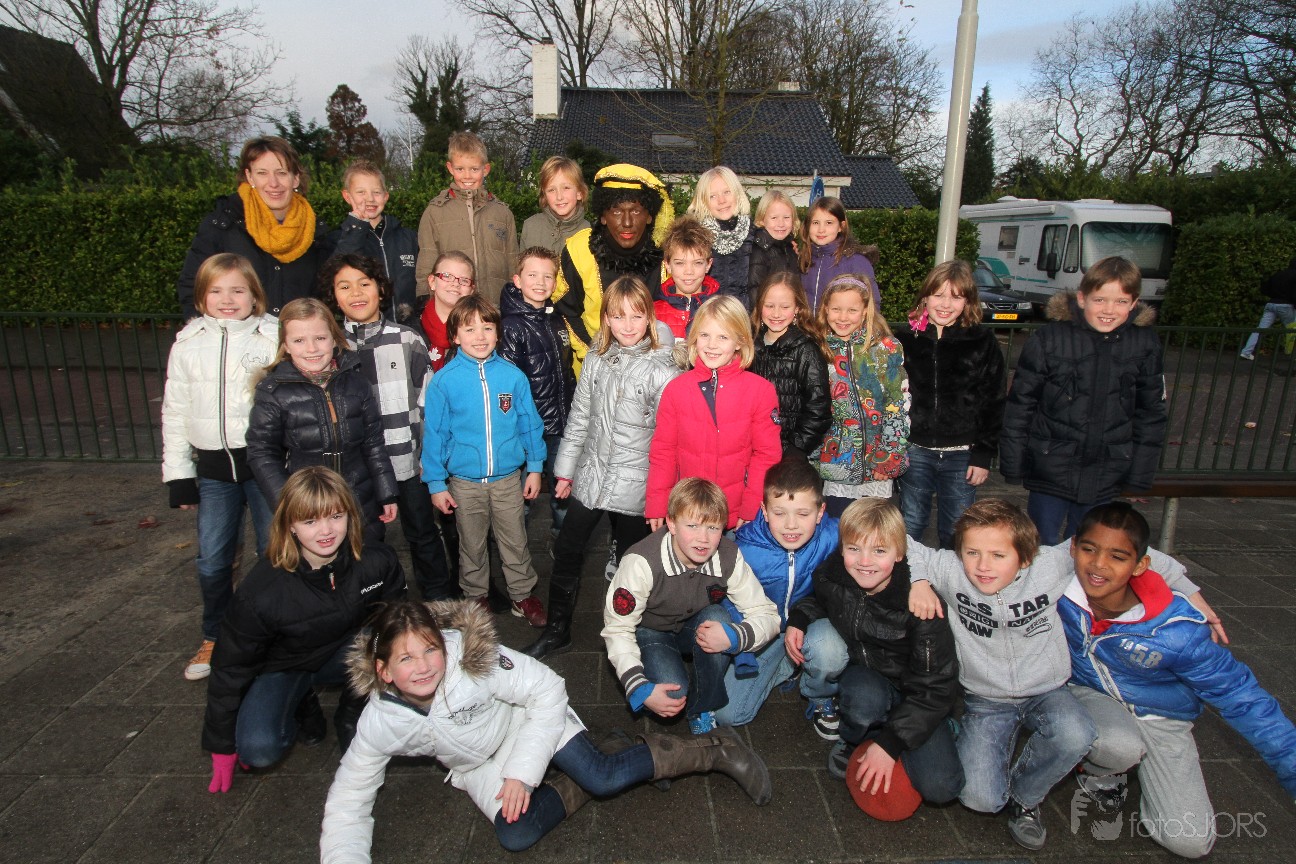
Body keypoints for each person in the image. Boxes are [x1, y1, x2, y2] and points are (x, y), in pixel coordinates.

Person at [320, 599, 772, 860]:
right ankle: (611, 747)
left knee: (603, 777)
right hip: (479, 764)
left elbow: (547, 689)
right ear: (383, 671)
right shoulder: (381, 720)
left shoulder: (471, 659)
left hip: (528, 719)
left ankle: (716, 748)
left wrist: (522, 774)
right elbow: (348, 799)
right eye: (405, 659)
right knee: (516, 835)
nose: (423, 667)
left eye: (430, 650)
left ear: (444, 645)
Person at [906, 498, 1223, 850]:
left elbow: (1137, 554)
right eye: (972, 553)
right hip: (986, 698)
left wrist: (1190, 591)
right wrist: (919, 580)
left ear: (1026, 557)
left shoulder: (1050, 564)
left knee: (1076, 733)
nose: (983, 566)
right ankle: (975, 749)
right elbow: (903, 543)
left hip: (1048, 690)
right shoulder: (950, 569)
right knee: (980, 799)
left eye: (998, 555)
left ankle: (1025, 798)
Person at [1060, 502, 1295, 858]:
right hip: (1090, 696)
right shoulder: (1059, 591)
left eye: (1117, 557)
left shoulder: (1177, 629)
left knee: (1189, 841)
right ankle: (1099, 767)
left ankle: (1149, 769)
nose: (1098, 564)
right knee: (1117, 746)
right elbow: (1006, 549)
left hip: (1160, 716)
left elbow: (1241, 697)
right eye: (1089, 550)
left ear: (1140, 565)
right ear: (1074, 548)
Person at [203, 466, 406, 793]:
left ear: (350, 515)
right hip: (285, 665)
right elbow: (230, 666)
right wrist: (222, 742)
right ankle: (301, 702)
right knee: (259, 748)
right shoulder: (261, 591)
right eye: (310, 521)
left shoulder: (376, 559)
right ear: (290, 525)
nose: (326, 531)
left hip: (347, 651)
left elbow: (398, 618)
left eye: (336, 516)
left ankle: (352, 710)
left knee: (388, 640)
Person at [523, 276, 682, 660]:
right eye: (618, 316)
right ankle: (558, 630)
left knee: (630, 565)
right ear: (606, 318)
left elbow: (668, 440)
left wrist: (661, 496)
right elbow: (580, 417)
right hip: (593, 475)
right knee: (567, 548)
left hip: (636, 483)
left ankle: (626, 637)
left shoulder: (664, 369)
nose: (627, 325)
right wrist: (565, 471)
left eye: (636, 316)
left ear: (649, 318)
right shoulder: (597, 358)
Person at [789, 499, 963, 814]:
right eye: (854, 549)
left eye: (879, 551)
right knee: (863, 701)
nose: (865, 561)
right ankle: (855, 737)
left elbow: (936, 687)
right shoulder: (834, 574)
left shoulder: (922, 605)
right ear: (842, 549)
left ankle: (931, 728)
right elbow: (822, 600)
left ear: (900, 554)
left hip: (918, 694)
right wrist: (799, 618)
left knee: (942, 787)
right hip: (869, 678)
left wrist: (890, 745)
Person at [161, 253, 278, 681]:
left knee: (273, 553)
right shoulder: (188, 345)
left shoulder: (273, 338)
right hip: (213, 471)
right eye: (216, 291)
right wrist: (179, 474)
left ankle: (271, 632)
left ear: (254, 295)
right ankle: (215, 634)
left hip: (263, 466)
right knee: (212, 558)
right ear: (201, 297)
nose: (227, 300)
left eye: (237, 290)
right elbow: (175, 411)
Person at [999, 255, 1167, 544]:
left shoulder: (1144, 344)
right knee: (1042, 545)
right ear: (1081, 298)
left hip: (1107, 470)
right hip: (1050, 466)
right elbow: (1020, 405)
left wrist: (1139, 472)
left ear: (1134, 303)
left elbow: (1151, 413)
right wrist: (1014, 463)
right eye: (1100, 300)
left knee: (1090, 546)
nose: (1109, 310)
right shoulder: (1049, 339)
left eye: (1121, 301)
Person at [321, 253, 456, 601]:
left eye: (364, 284)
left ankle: (439, 604)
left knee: (423, 533)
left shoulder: (406, 339)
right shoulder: (329, 346)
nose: (356, 293)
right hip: (356, 467)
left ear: (381, 289)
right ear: (333, 295)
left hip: (407, 459)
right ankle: (371, 605)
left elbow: (428, 402)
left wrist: (430, 456)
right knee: (362, 539)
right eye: (344, 287)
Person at [602, 477, 780, 734]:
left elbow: (766, 613)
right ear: (672, 523)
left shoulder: (729, 555)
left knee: (720, 619)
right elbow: (618, 628)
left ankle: (702, 707)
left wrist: (736, 636)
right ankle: (656, 668)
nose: (703, 538)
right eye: (692, 525)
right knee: (672, 694)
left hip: (694, 625)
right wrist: (638, 685)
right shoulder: (641, 562)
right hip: (650, 630)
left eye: (713, 527)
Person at [421, 294, 548, 627]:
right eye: (469, 329)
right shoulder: (444, 381)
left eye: (487, 328)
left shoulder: (512, 377)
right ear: (455, 336)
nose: (480, 336)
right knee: (472, 544)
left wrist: (535, 468)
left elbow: (530, 424)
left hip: (508, 479)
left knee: (515, 539)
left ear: (497, 333)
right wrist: (436, 483)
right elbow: (434, 434)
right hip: (464, 483)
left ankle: (522, 594)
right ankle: (476, 596)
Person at [245, 298, 398, 540]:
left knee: (367, 553)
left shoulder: (357, 383)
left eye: (320, 338)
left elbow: (373, 442)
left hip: (359, 498)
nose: (312, 349)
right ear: (285, 345)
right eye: (299, 340)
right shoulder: (273, 392)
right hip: (308, 505)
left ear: (335, 339)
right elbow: (261, 452)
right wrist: (287, 502)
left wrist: (386, 492)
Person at [719, 457, 848, 736]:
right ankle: (790, 666)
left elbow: (890, 537)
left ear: (820, 511)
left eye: (803, 514)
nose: (791, 525)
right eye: (780, 513)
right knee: (728, 713)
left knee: (829, 649)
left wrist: (920, 580)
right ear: (764, 511)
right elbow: (729, 602)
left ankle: (819, 693)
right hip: (768, 632)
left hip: (813, 623)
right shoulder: (744, 549)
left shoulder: (834, 535)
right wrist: (746, 646)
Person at [894, 260, 1006, 549]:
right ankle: (909, 573)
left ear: (968, 302)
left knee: (957, 527)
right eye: (938, 295)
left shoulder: (982, 340)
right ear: (925, 297)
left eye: (956, 297)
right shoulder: (905, 339)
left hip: (962, 454)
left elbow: (994, 400)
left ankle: (952, 577)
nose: (945, 304)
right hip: (915, 448)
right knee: (911, 523)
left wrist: (983, 454)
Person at [647, 295, 782, 531]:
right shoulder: (676, 390)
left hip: (735, 516)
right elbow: (663, 452)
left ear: (740, 341)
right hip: (688, 512)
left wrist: (751, 507)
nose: (711, 345)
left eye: (723, 337)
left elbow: (766, 455)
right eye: (704, 335)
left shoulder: (760, 391)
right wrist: (658, 503)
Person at [177, 136, 331, 319]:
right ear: (249, 176)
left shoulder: (314, 232)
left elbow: (327, 294)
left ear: (296, 178)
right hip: (238, 336)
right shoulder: (223, 225)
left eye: (282, 173)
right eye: (262, 173)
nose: (273, 183)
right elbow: (193, 285)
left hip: (298, 336)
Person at [552, 163, 673, 371]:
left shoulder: (668, 254)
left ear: (650, 215)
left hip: (651, 370)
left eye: (636, 211)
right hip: (593, 367)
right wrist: (596, 355)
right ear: (602, 216)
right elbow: (565, 312)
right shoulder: (579, 249)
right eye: (616, 211)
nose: (627, 222)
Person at [813, 274, 909, 517]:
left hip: (878, 465)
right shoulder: (818, 349)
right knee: (838, 530)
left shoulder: (886, 349)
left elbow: (897, 404)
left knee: (876, 531)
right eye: (836, 309)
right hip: (836, 464)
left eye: (852, 310)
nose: (843, 317)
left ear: (866, 311)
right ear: (825, 309)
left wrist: (889, 456)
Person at [498, 246, 576, 536]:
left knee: (562, 489)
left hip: (559, 423)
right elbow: (507, 385)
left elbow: (566, 371)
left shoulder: (556, 319)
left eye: (547, 276)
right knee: (522, 495)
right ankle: (514, 547)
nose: (540, 282)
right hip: (525, 429)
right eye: (532, 275)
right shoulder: (510, 326)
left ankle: (562, 542)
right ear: (518, 280)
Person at [413, 131, 517, 306]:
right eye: (460, 169)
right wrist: (424, 298)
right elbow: (426, 259)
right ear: (450, 168)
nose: (467, 176)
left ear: (486, 169)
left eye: (474, 169)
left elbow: (513, 260)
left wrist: (516, 298)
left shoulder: (502, 213)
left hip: (495, 306)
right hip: (453, 308)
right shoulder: (435, 212)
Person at [327, 159, 420, 329]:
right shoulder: (339, 240)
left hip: (409, 330)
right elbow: (337, 273)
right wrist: (356, 228)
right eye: (361, 192)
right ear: (347, 196)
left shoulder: (409, 238)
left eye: (376, 192)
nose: (369, 199)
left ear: (386, 196)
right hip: (364, 333)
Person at [750, 271, 832, 459]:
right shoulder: (749, 345)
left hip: (789, 453)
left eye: (785, 306)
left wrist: (796, 449)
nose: (776, 314)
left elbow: (818, 408)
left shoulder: (807, 350)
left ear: (797, 308)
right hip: (753, 449)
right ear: (760, 305)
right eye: (769, 306)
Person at [687, 166, 754, 307]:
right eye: (713, 196)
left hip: (744, 314)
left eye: (726, 192)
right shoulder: (694, 237)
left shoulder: (755, 234)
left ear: (737, 193)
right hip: (706, 312)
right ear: (703, 201)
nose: (721, 200)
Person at [799, 197, 878, 311]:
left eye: (829, 223)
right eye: (815, 223)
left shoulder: (856, 261)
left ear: (841, 226)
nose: (821, 229)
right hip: (807, 323)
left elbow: (872, 303)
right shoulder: (803, 260)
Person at [655, 215, 721, 339]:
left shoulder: (723, 311)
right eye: (680, 263)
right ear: (668, 265)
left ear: (708, 265)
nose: (689, 271)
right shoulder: (653, 313)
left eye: (697, 263)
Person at [519, 155, 591, 254]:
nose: (559, 197)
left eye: (566, 188)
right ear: (544, 195)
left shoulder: (590, 233)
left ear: (579, 193)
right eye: (551, 190)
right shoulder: (530, 226)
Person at [419, 250, 475, 372]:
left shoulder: (481, 333)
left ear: (472, 290)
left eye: (464, 280)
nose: (455, 284)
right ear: (432, 281)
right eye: (447, 276)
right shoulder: (410, 330)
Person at [746, 190, 800, 300]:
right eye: (774, 218)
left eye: (786, 217)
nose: (781, 224)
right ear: (762, 220)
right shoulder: (757, 251)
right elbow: (754, 291)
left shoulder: (789, 248)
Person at [1240, 256, 1296, 360]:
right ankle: (1292, 355)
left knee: (1260, 329)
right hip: (1286, 305)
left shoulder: (1278, 274)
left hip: (1271, 304)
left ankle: (1246, 352)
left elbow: (1265, 288)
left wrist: (1274, 296)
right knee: (1293, 330)